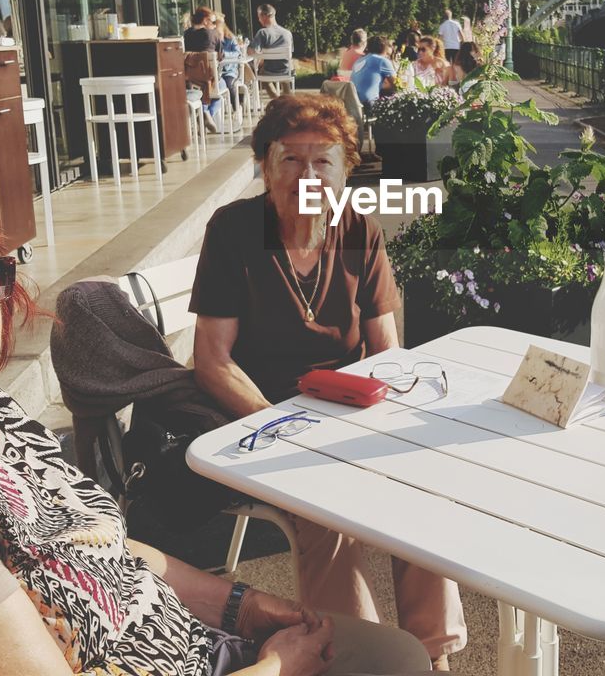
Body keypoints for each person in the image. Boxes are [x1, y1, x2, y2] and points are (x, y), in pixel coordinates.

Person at [0, 164, 433, 676]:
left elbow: (96, 546)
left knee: (395, 653)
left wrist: (241, 605)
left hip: (199, 646)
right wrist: (275, 668)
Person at [189, 97, 467, 669]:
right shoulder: (235, 230)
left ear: (346, 171)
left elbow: (387, 353)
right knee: (325, 510)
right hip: (260, 420)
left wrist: (390, 430)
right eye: (291, 159)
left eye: (324, 162)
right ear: (265, 166)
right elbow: (213, 361)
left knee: (423, 485)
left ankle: (435, 657)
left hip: (345, 413)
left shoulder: (359, 230)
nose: (307, 176)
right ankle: (356, 658)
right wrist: (283, 426)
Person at [253, 4, 294, 99]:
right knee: (286, 71)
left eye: (259, 17)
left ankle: (277, 100)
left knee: (261, 75)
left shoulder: (262, 32)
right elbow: (290, 53)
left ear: (264, 16)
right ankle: (287, 102)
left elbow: (253, 51)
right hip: (286, 70)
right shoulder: (287, 33)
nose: (259, 20)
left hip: (269, 71)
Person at [350, 35, 397, 107]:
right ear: (384, 48)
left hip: (353, 103)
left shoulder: (359, 60)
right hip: (369, 104)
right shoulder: (382, 61)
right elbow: (397, 85)